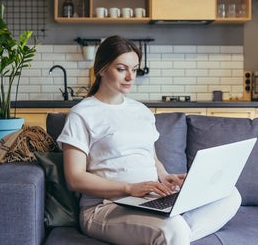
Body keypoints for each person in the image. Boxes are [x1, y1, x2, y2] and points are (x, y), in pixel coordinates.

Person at [57, 35, 241, 245]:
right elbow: (75, 178)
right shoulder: (82, 114)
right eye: (121, 69)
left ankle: (173, 235)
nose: (130, 77)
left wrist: (164, 177)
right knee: (174, 229)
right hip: (106, 207)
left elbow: (152, 159)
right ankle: (173, 233)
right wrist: (128, 188)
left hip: (150, 199)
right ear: (101, 69)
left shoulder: (141, 111)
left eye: (134, 69)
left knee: (229, 195)